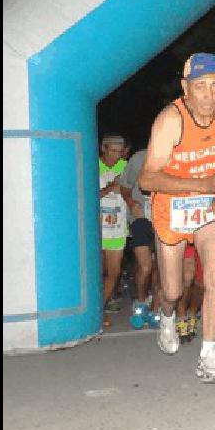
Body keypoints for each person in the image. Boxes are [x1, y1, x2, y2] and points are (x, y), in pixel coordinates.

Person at [138, 53, 215, 383]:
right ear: (185, 88)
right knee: (175, 290)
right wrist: (205, 184)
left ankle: (209, 354)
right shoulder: (171, 119)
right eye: (200, 86)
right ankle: (165, 315)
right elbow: (147, 179)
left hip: (210, 208)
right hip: (172, 207)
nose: (208, 95)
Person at [121, 147, 161, 330]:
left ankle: (155, 309)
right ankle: (140, 303)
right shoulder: (138, 158)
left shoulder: (178, 156)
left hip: (165, 219)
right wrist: (131, 204)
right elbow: (125, 188)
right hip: (141, 219)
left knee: (162, 269)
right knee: (145, 267)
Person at [99, 134, 132, 328]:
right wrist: (112, 186)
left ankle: (101, 308)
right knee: (98, 272)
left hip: (117, 228)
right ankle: (96, 311)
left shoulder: (125, 167)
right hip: (97, 229)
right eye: (113, 151)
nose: (116, 156)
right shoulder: (92, 165)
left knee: (114, 272)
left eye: (120, 152)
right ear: (104, 149)